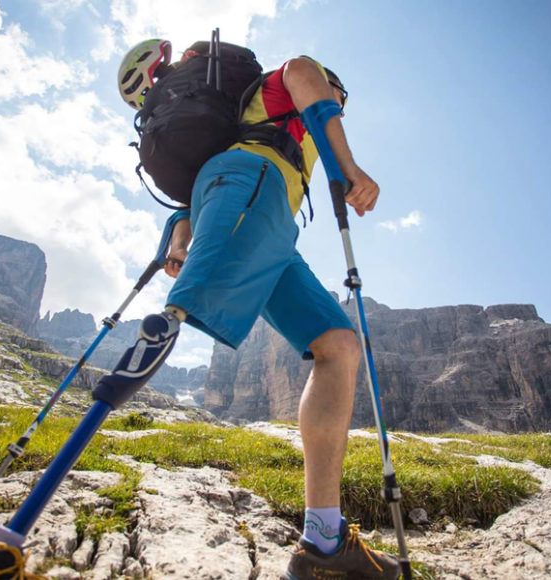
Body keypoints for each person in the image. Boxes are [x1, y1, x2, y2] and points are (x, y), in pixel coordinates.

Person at [119, 39, 401, 580]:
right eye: (339, 96)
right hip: (253, 185)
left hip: (266, 214)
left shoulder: (254, 124)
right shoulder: (291, 80)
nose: (340, 103)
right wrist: (347, 168)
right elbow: (303, 76)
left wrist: (180, 238)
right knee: (180, 313)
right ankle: (16, 525)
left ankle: (322, 542)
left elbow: (196, 195)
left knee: (338, 345)